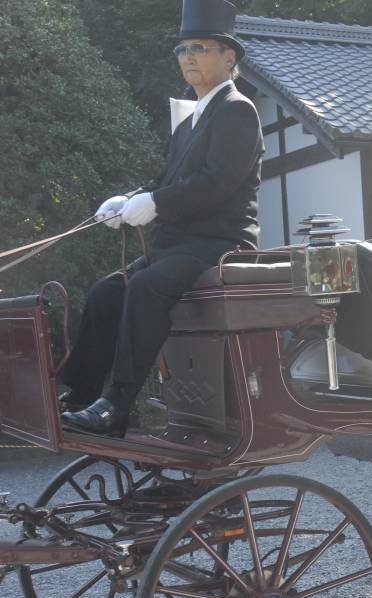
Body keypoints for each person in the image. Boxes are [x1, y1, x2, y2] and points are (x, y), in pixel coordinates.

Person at [59, 0, 263, 435]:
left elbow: (216, 183)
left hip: (220, 243)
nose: (187, 55)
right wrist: (129, 199)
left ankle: (117, 405)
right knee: (106, 293)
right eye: (181, 49)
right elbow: (166, 179)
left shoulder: (238, 110)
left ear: (229, 57)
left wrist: (157, 205)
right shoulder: (191, 120)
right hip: (180, 245)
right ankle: (79, 395)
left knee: (147, 288)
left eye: (200, 47)